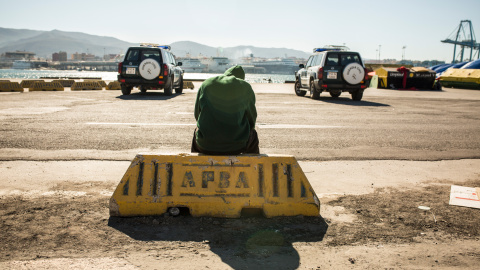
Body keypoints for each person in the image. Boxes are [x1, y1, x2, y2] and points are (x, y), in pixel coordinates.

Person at [191, 65, 259, 155]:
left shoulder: (207, 83)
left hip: (205, 146)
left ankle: (194, 164)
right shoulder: (245, 87)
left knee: (198, 131)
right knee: (253, 134)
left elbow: (197, 114)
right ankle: (253, 166)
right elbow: (252, 119)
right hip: (237, 147)